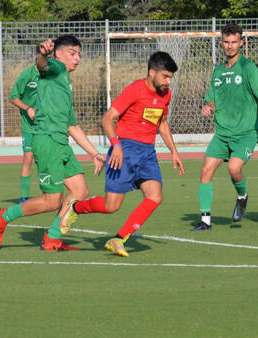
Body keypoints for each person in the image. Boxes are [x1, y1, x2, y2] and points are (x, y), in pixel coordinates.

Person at [58, 51, 184, 257]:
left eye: (171, 77)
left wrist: (174, 152)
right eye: (165, 76)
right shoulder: (134, 90)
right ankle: (77, 208)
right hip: (124, 151)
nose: (168, 82)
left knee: (155, 196)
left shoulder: (165, 95)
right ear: (152, 72)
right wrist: (116, 145)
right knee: (111, 206)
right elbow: (107, 119)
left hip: (147, 153)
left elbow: (162, 123)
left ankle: (118, 239)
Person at [0, 35, 105, 251]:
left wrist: (94, 154)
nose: (77, 58)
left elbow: (73, 126)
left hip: (62, 144)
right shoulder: (56, 69)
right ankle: (3, 216)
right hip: (47, 141)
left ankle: (52, 237)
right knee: (52, 200)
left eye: (79, 54)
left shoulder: (65, 83)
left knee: (80, 191)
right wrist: (43, 55)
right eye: (72, 53)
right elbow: (43, 66)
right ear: (58, 54)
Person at [192, 22, 258, 231]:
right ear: (222, 43)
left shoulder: (247, 67)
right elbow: (212, 100)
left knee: (234, 169)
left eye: (234, 42)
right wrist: (207, 108)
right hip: (222, 134)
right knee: (206, 170)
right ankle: (205, 220)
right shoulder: (217, 72)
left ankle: (242, 196)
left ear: (241, 43)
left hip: (245, 133)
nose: (230, 46)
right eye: (226, 42)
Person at [8, 45, 40, 203]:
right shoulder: (27, 75)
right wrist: (27, 108)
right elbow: (13, 97)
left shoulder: (52, 75)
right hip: (30, 125)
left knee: (50, 158)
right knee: (28, 158)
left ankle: (53, 194)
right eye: (42, 56)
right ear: (36, 57)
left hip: (48, 124)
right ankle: (24, 197)